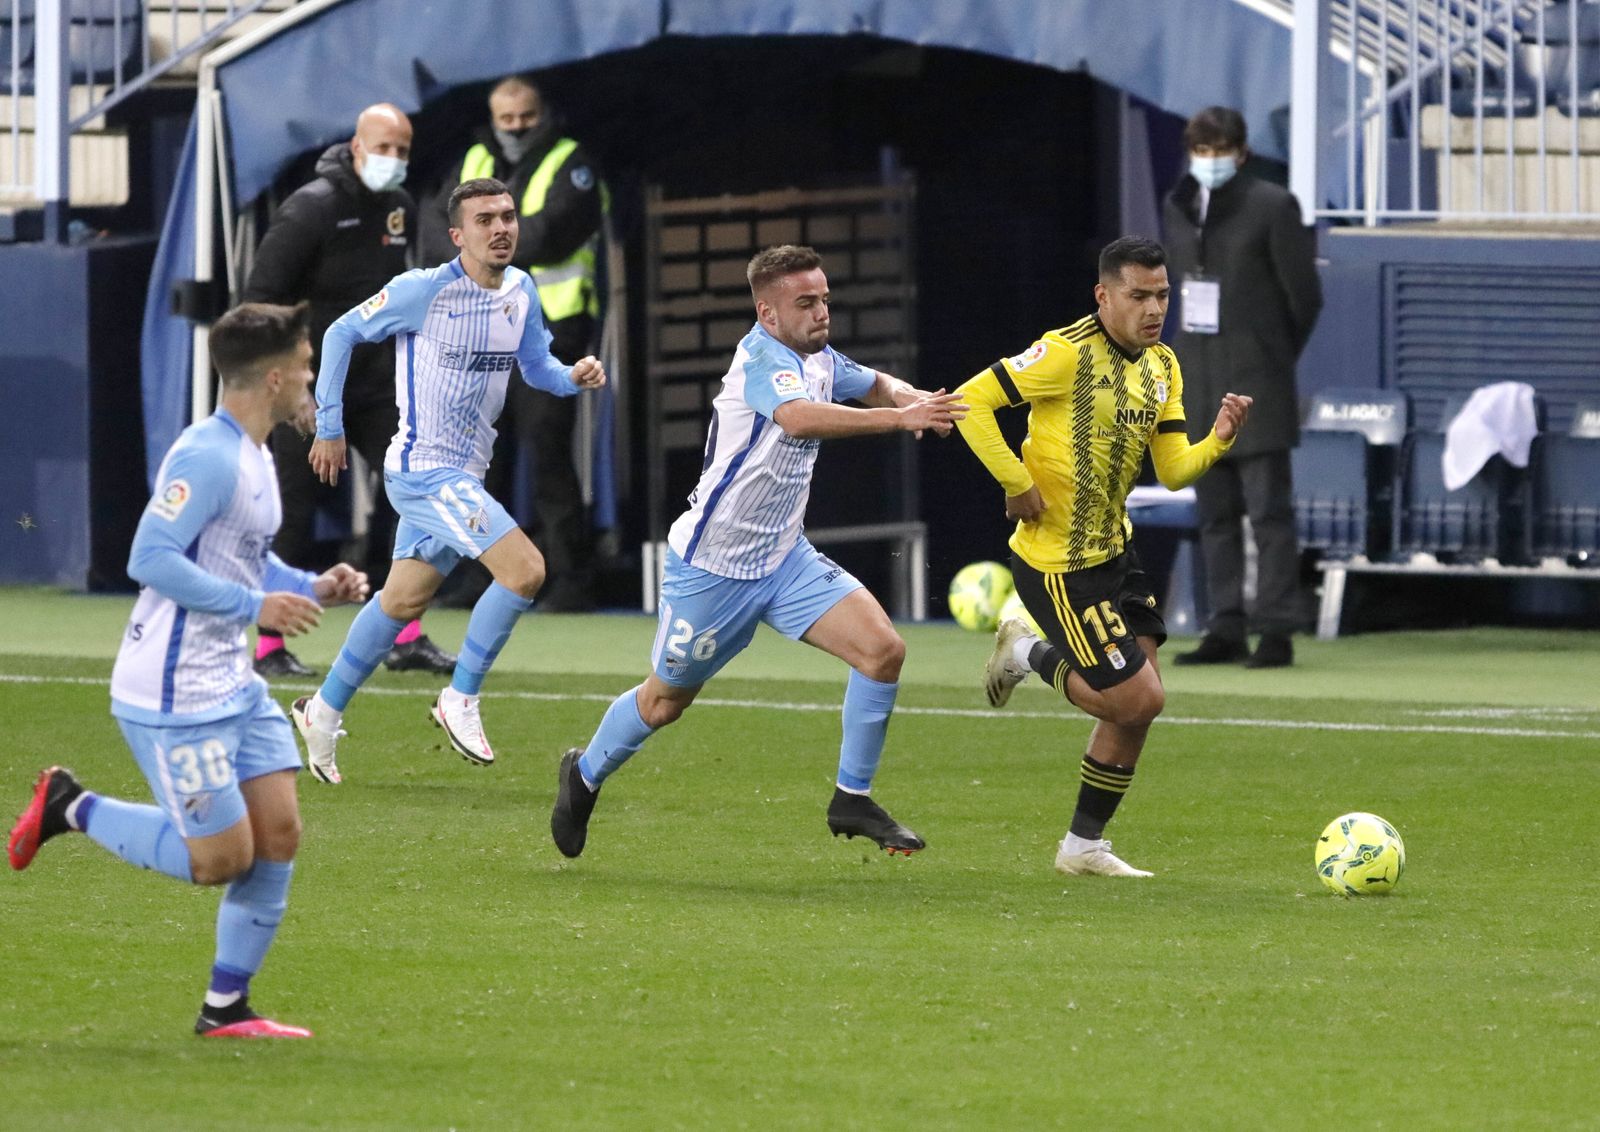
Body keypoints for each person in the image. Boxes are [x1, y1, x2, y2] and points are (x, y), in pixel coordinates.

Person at [6, 302, 369, 1038]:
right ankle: (70, 806)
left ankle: (225, 1008)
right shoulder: (208, 455)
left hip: (232, 685)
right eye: (305, 366)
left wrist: (305, 586)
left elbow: (239, 555)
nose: (312, 379)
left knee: (279, 837)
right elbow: (150, 558)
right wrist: (254, 608)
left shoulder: (259, 452)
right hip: (172, 694)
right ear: (272, 378)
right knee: (220, 862)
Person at [549, 244, 965, 860]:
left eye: (824, 298)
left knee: (883, 651)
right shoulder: (762, 359)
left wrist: (922, 401)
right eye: (806, 303)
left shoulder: (817, 356)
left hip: (784, 557)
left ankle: (852, 797)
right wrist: (904, 422)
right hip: (713, 569)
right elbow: (797, 418)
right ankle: (583, 776)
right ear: (768, 314)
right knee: (663, 703)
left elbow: (877, 384)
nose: (822, 311)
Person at [292, 177, 607, 786]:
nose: (501, 228)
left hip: (465, 474)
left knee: (401, 601)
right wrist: (328, 426)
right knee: (526, 571)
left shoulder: (521, 290)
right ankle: (460, 697)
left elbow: (537, 369)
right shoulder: (424, 291)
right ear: (458, 235)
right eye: (485, 219)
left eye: (508, 216)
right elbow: (339, 333)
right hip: (421, 470)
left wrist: (575, 377)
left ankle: (321, 709)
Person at [956, 236, 1251, 878]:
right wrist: (1015, 480)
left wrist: (1219, 440)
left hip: (1116, 553)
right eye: (1138, 295)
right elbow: (970, 401)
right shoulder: (1063, 353)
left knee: (1139, 699)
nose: (1153, 309)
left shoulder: (1163, 365)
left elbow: (1173, 471)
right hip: (1058, 564)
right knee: (1137, 700)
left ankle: (1082, 847)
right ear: (1104, 295)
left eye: (1162, 295)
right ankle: (1025, 652)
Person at [242, 102, 455, 678]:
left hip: (373, 383)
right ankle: (267, 647)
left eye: (403, 151)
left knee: (414, 493)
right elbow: (259, 301)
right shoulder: (310, 209)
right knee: (293, 514)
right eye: (383, 148)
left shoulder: (400, 208)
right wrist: (288, 388)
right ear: (356, 147)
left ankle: (403, 634)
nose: (393, 160)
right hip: (305, 388)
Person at [422, 74, 605, 612]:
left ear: (542, 111)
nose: (517, 129)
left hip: (552, 328)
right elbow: (434, 222)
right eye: (507, 120)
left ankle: (572, 578)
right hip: (481, 330)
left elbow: (551, 234)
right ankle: (482, 575)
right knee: (481, 456)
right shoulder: (474, 157)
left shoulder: (574, 162)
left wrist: (475, 248)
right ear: (493, 118)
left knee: (547, 448)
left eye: (525, 117)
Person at [1162, 106, 1323, 669]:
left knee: (1269, 513)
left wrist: (1271, 357)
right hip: (1197, 379)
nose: (1210, 161)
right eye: (1201, 151)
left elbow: (1305, 297)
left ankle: (1277, 628)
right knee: (1215, 513)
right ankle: (1225, 625)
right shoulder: (1178, 205)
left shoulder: (1273, 206)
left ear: (1242, 152)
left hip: (1258, 382)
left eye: (1220, 150)